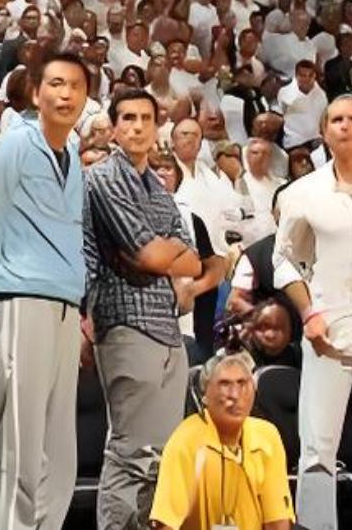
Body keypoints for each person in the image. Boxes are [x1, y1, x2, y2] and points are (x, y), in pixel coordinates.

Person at [0, 53, 90, 530]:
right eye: (55, 84)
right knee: (20, 445)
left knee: (59, 453)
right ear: (36, 93)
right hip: (20, 298)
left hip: (66, 305)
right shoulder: (15, 144)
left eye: (75, 85)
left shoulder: (74, 154)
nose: (65, 93)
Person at [85, 88, 207, 530]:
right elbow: (156, 256)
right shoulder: (103, 177)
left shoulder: (157, 185)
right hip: (125, 320)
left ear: (157, 128)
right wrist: (161, 252)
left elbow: (191, 261)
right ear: (114, 128)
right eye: (128, 119)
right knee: (131, 452)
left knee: (163, 457)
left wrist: (158, 251)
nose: (137, 127)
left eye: (145, 119)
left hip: (168, 327)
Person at [275, 93, 352, 529]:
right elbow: (284, 259)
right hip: (329, 332)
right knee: (318, 448)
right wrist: (308, 313)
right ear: (324, 131)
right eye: (336, 119)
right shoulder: (303, 193)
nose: (345, 125)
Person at [147, 351, 293, 530]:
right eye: (225, 384)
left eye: (242, 383)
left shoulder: (267, 436)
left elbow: (277, 521)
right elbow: (166, 524)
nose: (235, 395)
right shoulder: (185, 442)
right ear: (205, 395)